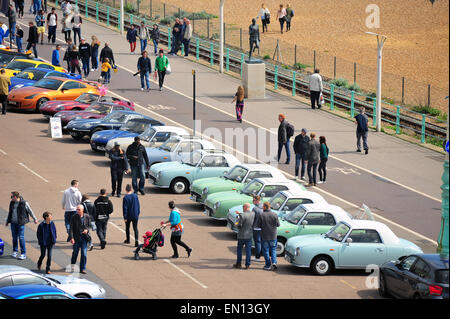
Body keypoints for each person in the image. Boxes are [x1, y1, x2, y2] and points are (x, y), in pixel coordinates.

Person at [5, 192, 38, 260]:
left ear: (16, 197)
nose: (11, 198)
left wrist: (35, 219)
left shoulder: (24, 203)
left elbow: (30, 211)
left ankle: (23, 253)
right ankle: (15, 251)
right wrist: (7, 221)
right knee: (14, 237)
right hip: (13, 223)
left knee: (21, 237)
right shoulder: (12, 203)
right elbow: (10, 212)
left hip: (20, 223)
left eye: (12, 197)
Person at [255, 202, 279, 271]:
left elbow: (258, 225)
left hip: (265, 236)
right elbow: (278, 224)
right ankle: (274, 262)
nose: (262, 207)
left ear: (265, 207)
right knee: (273, 250)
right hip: (273, 235)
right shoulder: (274, 214)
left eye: (263, 206)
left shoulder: (262, 215)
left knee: (266, 251)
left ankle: (268, 265)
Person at [69, 205, 91, 274]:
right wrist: (71, 238)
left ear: (82, 210)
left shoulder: (87, 216)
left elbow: (89, 226)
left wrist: (87, 230)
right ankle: (72, 265)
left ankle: (82, 268)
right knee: (75, 253)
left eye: (79, 209)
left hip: (84, 238)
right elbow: (71, 228)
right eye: (77, 209)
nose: (77, 211)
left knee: (84, 254)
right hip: (76, 238)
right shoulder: (74, 217)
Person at [233, 203, 255, 269]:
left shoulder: (242, 215)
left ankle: (239, 263)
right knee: (248, 251)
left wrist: (236, 223)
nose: (242, 208)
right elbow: (246, 216)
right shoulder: (253, 214)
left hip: (241, 235)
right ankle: (247, 265)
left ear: (245, 207)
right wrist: (240, 213)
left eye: (243, 207)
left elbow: (239, 225)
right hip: (249, 235)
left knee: (239, 250)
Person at [251, 195, 263, 262]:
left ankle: (257, 257)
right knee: (263, 243)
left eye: (253, 200)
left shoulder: (255, 209)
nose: (253, 201)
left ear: (257, 200)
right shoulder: (264, 207)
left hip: (256, 228)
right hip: (263, 228)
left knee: (257, 242)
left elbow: (252, 219)